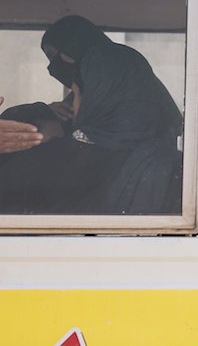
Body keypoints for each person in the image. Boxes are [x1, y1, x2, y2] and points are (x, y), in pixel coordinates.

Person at [0, 15, 182, 214]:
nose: (53, 67)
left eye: (76, 95)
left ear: (95, 96)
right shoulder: (169, 163)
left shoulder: (45, 167)